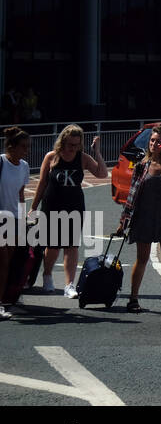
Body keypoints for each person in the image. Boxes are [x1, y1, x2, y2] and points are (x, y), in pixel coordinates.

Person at [117, 124, 161, 317]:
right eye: (152, 140)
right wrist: (123, 221)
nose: (154, 144)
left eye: (159, 141)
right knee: (142, 259)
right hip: (144, 218)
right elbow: (131, 196)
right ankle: (133, 298)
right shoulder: (142, 166)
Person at [30, 124, 107, 297]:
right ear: (63, 142)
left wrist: (97, 152)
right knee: (53, 245)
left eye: (76, 145)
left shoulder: (82, 158)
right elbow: (42, 183)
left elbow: (102, 174)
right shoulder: (52, 157)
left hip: (74, 206)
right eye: (70, 144)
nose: (73, 148)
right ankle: (47, 275)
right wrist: (33, 207)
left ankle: (69, 285)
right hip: (52, 206)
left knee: (72, 246)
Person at [0, 127, 30, 320]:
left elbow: (20, 194)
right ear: (11, 146)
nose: (26, 151)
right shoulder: (1, 162)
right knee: (2, 262)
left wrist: (22, 219)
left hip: (13, 219)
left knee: (7, 263)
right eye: (23, 147)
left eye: (28, 147)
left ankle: (4, 299)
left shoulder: (24, 166)